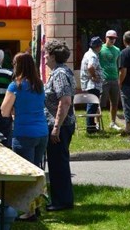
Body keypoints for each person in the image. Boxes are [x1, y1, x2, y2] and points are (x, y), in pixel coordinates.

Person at [0, 52, 47, 221]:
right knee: (36, 172)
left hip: (24, 133)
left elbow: (4, 111)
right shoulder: (39, 85)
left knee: (25, 174)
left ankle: (30, 211)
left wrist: (14, 110)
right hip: (42, 132)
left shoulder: (15, 86)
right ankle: (36, 206)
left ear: (17, 66)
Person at [43, 40, 76, 213]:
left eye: (46, 54)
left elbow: (65, 101)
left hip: (60, 126)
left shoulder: (60, 74)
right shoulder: (59, 72)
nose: (44, 57)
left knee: (58, 164)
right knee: (58, 163)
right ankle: (61, 199)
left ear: (54, 56)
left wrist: (56, 127)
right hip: (61, 124)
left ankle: (62, 201)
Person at [80, 36, 104, 133]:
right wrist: (94, 76)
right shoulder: (93, 56)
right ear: (98, 46)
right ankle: (90, 127)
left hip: (90, 84)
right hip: (92, 84)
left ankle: (91, 125)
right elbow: (90, 67)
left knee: (92, 105)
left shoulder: (88, 53)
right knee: (92, 105)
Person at [99, 30, 122, 131]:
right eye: (110, 38)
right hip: (103, 79)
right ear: (106, 38)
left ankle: (112, 122)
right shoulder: (100, 48)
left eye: (114, 38)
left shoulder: (117, 50)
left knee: (115, 102)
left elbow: (119, 65)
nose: (113, 40)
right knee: (100, 103)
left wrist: (119, 78)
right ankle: (97, 123)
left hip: (114, 78)